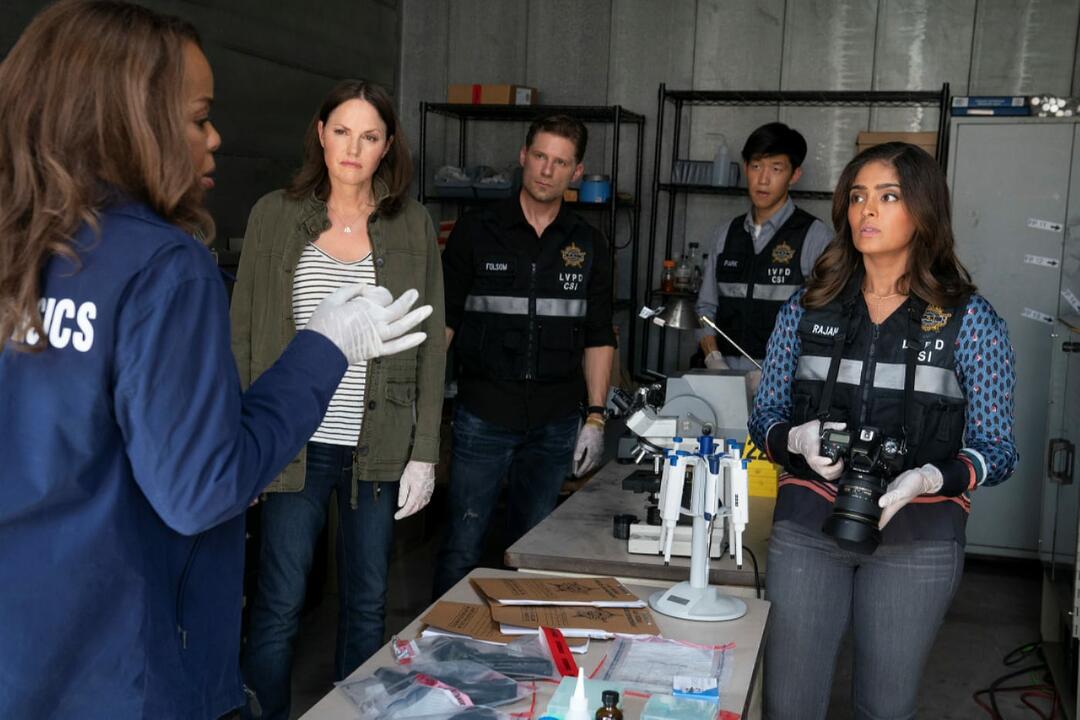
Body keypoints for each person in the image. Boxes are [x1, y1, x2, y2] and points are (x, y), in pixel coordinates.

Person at [0, 3, 430, 718]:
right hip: (123, 667)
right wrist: (323, 348)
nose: (215, 138)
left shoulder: (19, 245)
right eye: (199, 117)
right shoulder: (163, 265)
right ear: (131, 121)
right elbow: (200, 487)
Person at [748, 142, 1018, 719]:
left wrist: (928, 478)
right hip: (808, 524)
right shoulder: (808, 306)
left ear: (923, 211)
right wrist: (794, 440)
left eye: (888, 196)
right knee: (788, 704)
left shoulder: (970, 320)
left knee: (884, 708)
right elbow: (764, 415)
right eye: (857, 196)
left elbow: (998, 449)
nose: (867, 210)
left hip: (918, 535)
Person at [232, 80, 445, 719]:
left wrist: (424, 451)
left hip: (377, 446)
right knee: (278, 604)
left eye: (370, 136)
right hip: (290, 442)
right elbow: (243, 334)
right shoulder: (274, 214)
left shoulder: (412, 223)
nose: (354, 148)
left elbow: (432, 343)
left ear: (387, 147)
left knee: (367, 602)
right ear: (321, 134)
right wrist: (239, 444)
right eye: (343, 131)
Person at [434, 114, 616, 596]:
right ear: (523, 156)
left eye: (560, 162)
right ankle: (445, 638)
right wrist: (423, 406)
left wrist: (596, 418)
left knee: (531, 551)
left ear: (577, 172)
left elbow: (599, 336)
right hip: (483, 415)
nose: (546, 170)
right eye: (539, 156)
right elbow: (444, 324)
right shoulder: (477, 232)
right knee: (462, 546)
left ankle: (522, 639)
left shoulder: (588, 244)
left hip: (555, 423)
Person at [695, 122, 832, 370]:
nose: (763, 179)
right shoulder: (726, 234)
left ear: (794, 175)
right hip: (724, 374)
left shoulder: (813, 235)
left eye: (776, 168)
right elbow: (706, 308)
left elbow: (825, 317)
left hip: (783, 377)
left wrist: (782, 372)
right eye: (756, 166)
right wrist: (713, 359)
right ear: (745, 167)